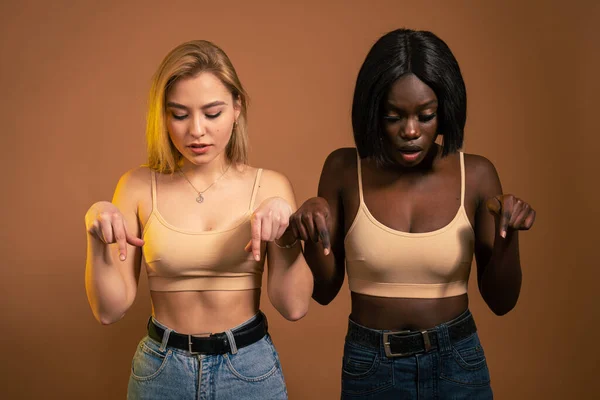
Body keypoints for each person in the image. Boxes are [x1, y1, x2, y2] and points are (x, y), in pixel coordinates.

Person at [289, 28, 536, 399]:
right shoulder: (343, 168)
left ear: (445, 111)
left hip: (457, 363)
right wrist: (310, 227)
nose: (410, 131)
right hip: (371, 366)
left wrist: (508, 234)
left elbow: (502, 302)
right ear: (373, 112)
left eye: (426, 116)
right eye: (393, 117)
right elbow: (324, 292)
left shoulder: (478, 174)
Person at [84, 39, 312, 400]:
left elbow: (295, 306)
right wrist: (96, 236)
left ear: (237, 108)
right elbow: (110, 310)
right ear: (163, 116)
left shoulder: (269, 186)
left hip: (248, 367)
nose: (196, 130)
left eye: (212, 113)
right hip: (162, 371)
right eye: (179, 114)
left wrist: (286, 235)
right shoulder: (137, 187)